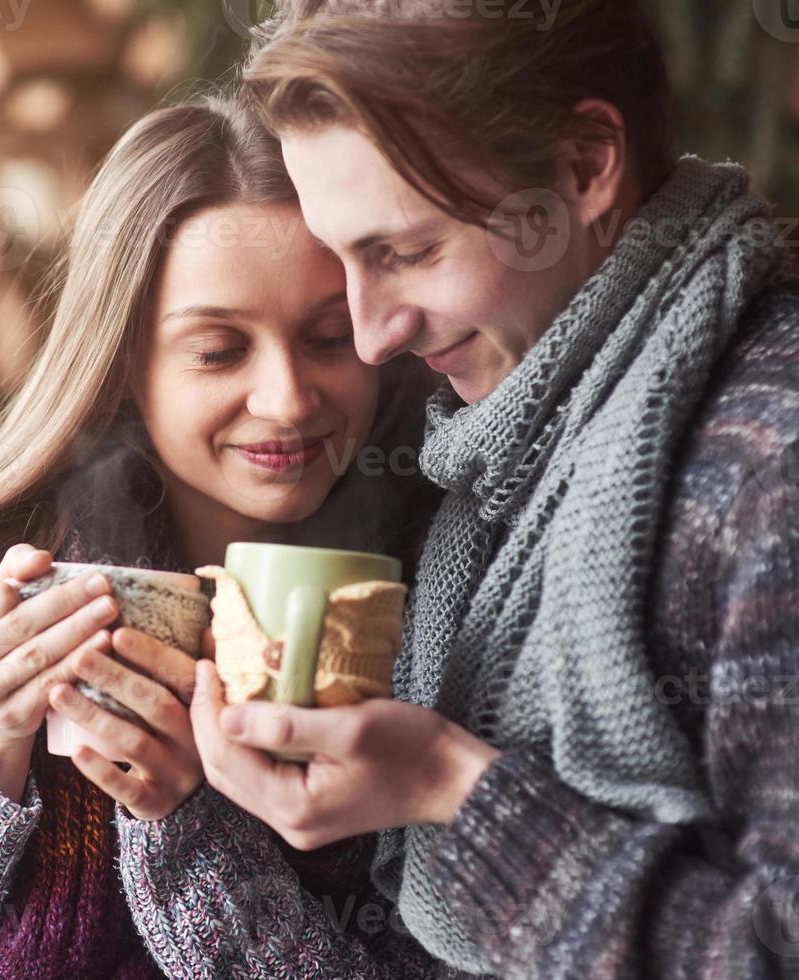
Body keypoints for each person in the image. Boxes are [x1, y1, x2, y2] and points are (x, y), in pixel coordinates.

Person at [189, 1, 799, 976]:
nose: (373, 331)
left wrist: (451, 789)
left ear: (584, 166)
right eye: (344, 260)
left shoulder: (768, 464)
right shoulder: (487, 443)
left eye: (408, 251)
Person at [0, 92, 442, 979]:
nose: (286, 398)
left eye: (328, 338)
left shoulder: (443, 598)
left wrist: (189, 827)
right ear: (125, 356)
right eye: (218, 351)